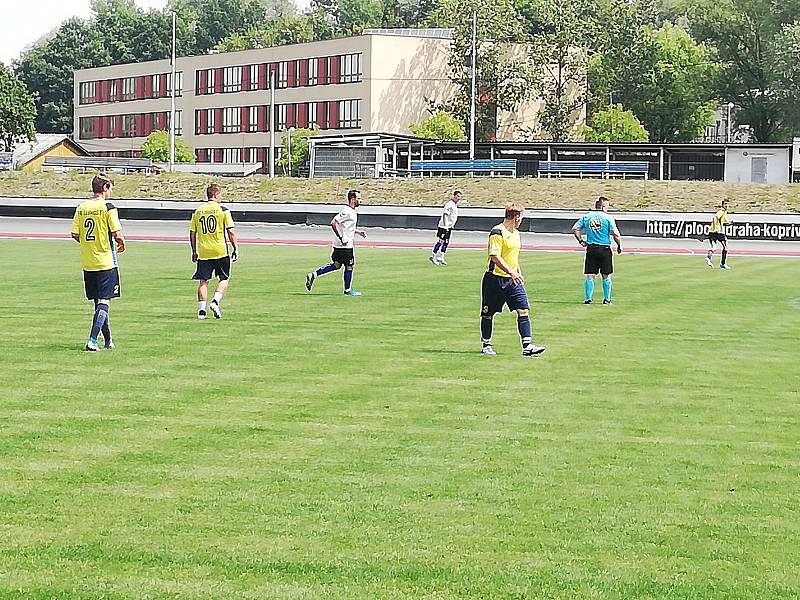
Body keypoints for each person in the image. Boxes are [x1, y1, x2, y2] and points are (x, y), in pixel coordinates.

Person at [480, 202, 545, 357]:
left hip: (512, 280)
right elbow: (495, 257)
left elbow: (513, 257)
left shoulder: (515, 233)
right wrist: (511, 272)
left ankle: (527, 345)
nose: (521, 220)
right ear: (516, 217)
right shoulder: (497, 232)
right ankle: (486, 344)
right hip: (495, 279)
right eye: (521, 216)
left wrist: (518, 273)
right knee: (488, 313)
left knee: (523, 310)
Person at [71, 173, 126, 351]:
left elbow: (75, 234)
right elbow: (117, 233)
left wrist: (89, 244)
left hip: (88, 262)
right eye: (111, 188)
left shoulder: (82, 207)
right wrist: (121, 243)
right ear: (105, 188)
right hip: (106, 261)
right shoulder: (108, 207)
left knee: (99, 303)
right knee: (105, 301)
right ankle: (92, 340)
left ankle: (108, 340)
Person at [306, 190, 367, 296]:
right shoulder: (347, 211)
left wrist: (358, 232)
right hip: (345, 245)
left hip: (339, 245)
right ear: (353, 199)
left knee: (337, 265)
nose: (360, 200)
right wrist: (342, 237)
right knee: (349, 266)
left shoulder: (351, 212)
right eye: (359, 198)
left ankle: (314, 274)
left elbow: (346, 227)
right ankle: (347, 290)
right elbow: (334, 222)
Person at [190, 183, 238, 319]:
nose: (222, 197)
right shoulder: (223, 210)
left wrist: (194, 251)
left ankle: (201, 310)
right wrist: (235, 248)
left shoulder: (198, 211)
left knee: (203, 281)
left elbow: (192, 233)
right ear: (216, 195)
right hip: (220, 250)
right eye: (221, 194)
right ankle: (215, 301)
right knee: (224, 278)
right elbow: (231, 231)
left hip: (204, 251)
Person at [571, 196, 623, 305]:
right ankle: (607, 299)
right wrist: (619, 245)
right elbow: (616, 234)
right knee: (606, 275)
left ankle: (588, 298)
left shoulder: (587, 217)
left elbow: (575, 228)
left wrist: (581, 240)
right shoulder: (608, 218)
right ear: (603, 207)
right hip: (604, 248)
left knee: (590, 275)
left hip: (591, 248)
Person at [430, 190, 463, 265]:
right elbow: (445, 215)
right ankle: (434, 256)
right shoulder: (449, 204)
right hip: (444, 226)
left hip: (449, 226)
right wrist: (445, 226)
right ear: (454, 196)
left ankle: (441, 256)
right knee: (441, 241)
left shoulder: (455, 205)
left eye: (460, 197)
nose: (459, 198)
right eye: (458, 196)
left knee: (446, 242)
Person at [706, 199, 731, 269]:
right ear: (722, 205)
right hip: (718, 232)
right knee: (725, 248)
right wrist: (715, 227)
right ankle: (722, 264)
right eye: (725, 204)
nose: (727, 205)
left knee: (714, 247)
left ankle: (708, 257)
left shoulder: (724, 213)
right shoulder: (721, 212)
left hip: (712, 232)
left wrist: (730, 223)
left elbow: (725, 222)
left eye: (727, 204)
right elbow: (715, 217)